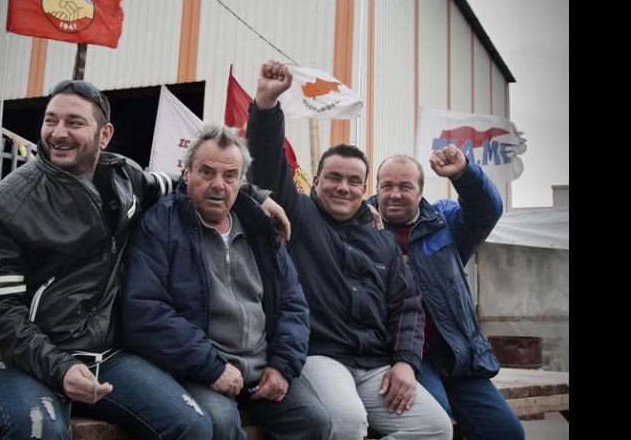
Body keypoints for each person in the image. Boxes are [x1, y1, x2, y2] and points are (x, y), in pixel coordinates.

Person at [0, 79, 288, 440]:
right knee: (41, 431)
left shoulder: (124, 178)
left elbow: (189, 182)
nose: (58, 132)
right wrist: (59, 367)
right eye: (50, 120)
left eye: (74, 122)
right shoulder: (4, 207)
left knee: (192, 424)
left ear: (105, 135)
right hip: (17, 361)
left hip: (104, 358)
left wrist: (252, 195)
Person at [246, 60, 452, 440]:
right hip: (319, 358)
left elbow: (407, 306)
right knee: (348, 422)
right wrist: (266, 105)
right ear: (315, 180)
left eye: (354, 181)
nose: (343, 187)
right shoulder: (298, 215)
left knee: (436, 429)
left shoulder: (382, 238)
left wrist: (406, 363)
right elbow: (268, 162)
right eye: (334, 177)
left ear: (364, 188)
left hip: (376, 366)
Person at [121, 124, 332, 440]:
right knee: (219, 424)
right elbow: (145, 312)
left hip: (263, 366)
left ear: (242, 181)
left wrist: (282, 365)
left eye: (230, 175)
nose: (218, 184)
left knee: (314, 421)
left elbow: (292, 302)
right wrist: (212, 367)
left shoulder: (261, 227)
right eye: (207, 172)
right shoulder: (159, 225)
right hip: (197, 368)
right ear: (187, 173)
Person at [369, 148, 525, 440]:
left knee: (507, 432)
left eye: (405, 186)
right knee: (435, 418)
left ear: (420, 192)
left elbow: (486, 211)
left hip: (456, 354)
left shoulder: (445, 222)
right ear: (376, 188)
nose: (395, 194)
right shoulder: (363, 228)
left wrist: (464, 174)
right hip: (403, 357)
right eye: (386, 186)